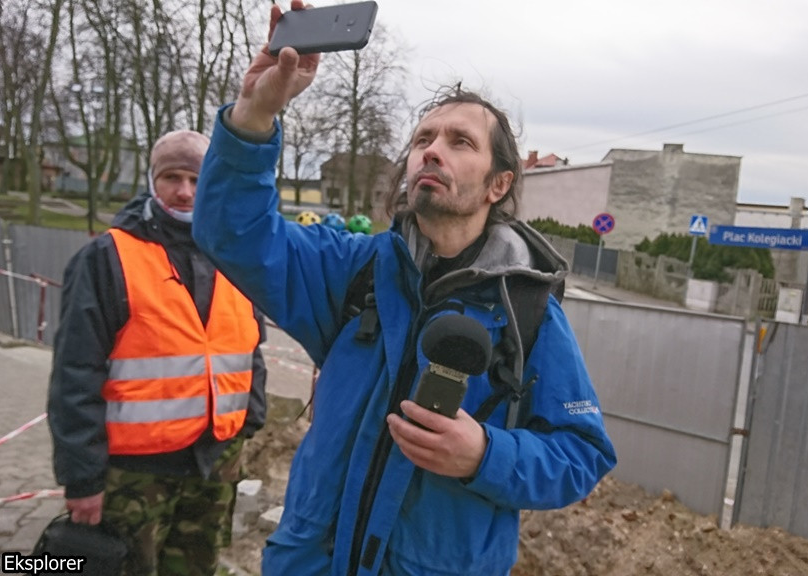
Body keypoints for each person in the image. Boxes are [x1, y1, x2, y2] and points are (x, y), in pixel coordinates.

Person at [191, 3, 616, 574]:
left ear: (499, 184)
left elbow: (581, 454)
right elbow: (232, 232)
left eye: (460, 142)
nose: (432, 150)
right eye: (423, 139)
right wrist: (255, 111)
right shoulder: (356, 272)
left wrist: (485, 456)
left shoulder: (527, 310)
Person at [47, 129, 267, 576]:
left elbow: (251, 347)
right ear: (152, 180)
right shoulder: (107, 257)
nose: (184, 191)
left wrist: (250, 420)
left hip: (216, 465)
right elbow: (75, 374)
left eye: (195, 179)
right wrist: (82, 479)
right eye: (171, 177)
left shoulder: (233, 255)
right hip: (135, 477)